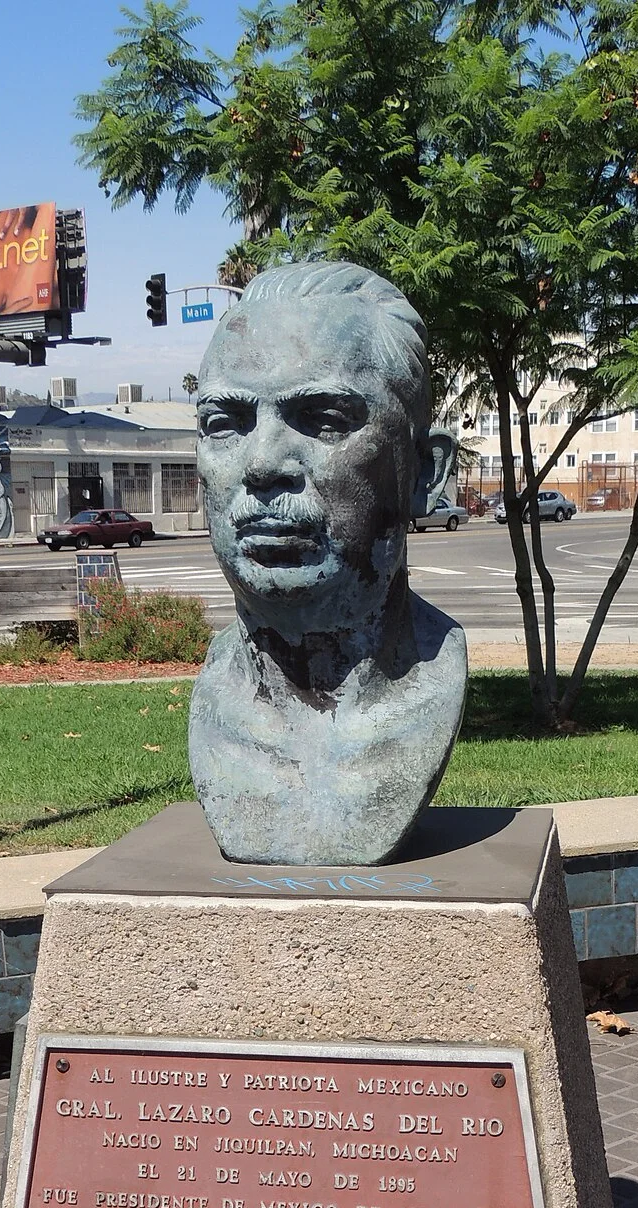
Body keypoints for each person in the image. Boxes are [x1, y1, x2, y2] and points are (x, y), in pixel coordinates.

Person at [189, 261, 466, 865]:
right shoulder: (217, 702)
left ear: (423, 472)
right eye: (224, 424)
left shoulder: (433, 681)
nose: (263, 464)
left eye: (323, 421)